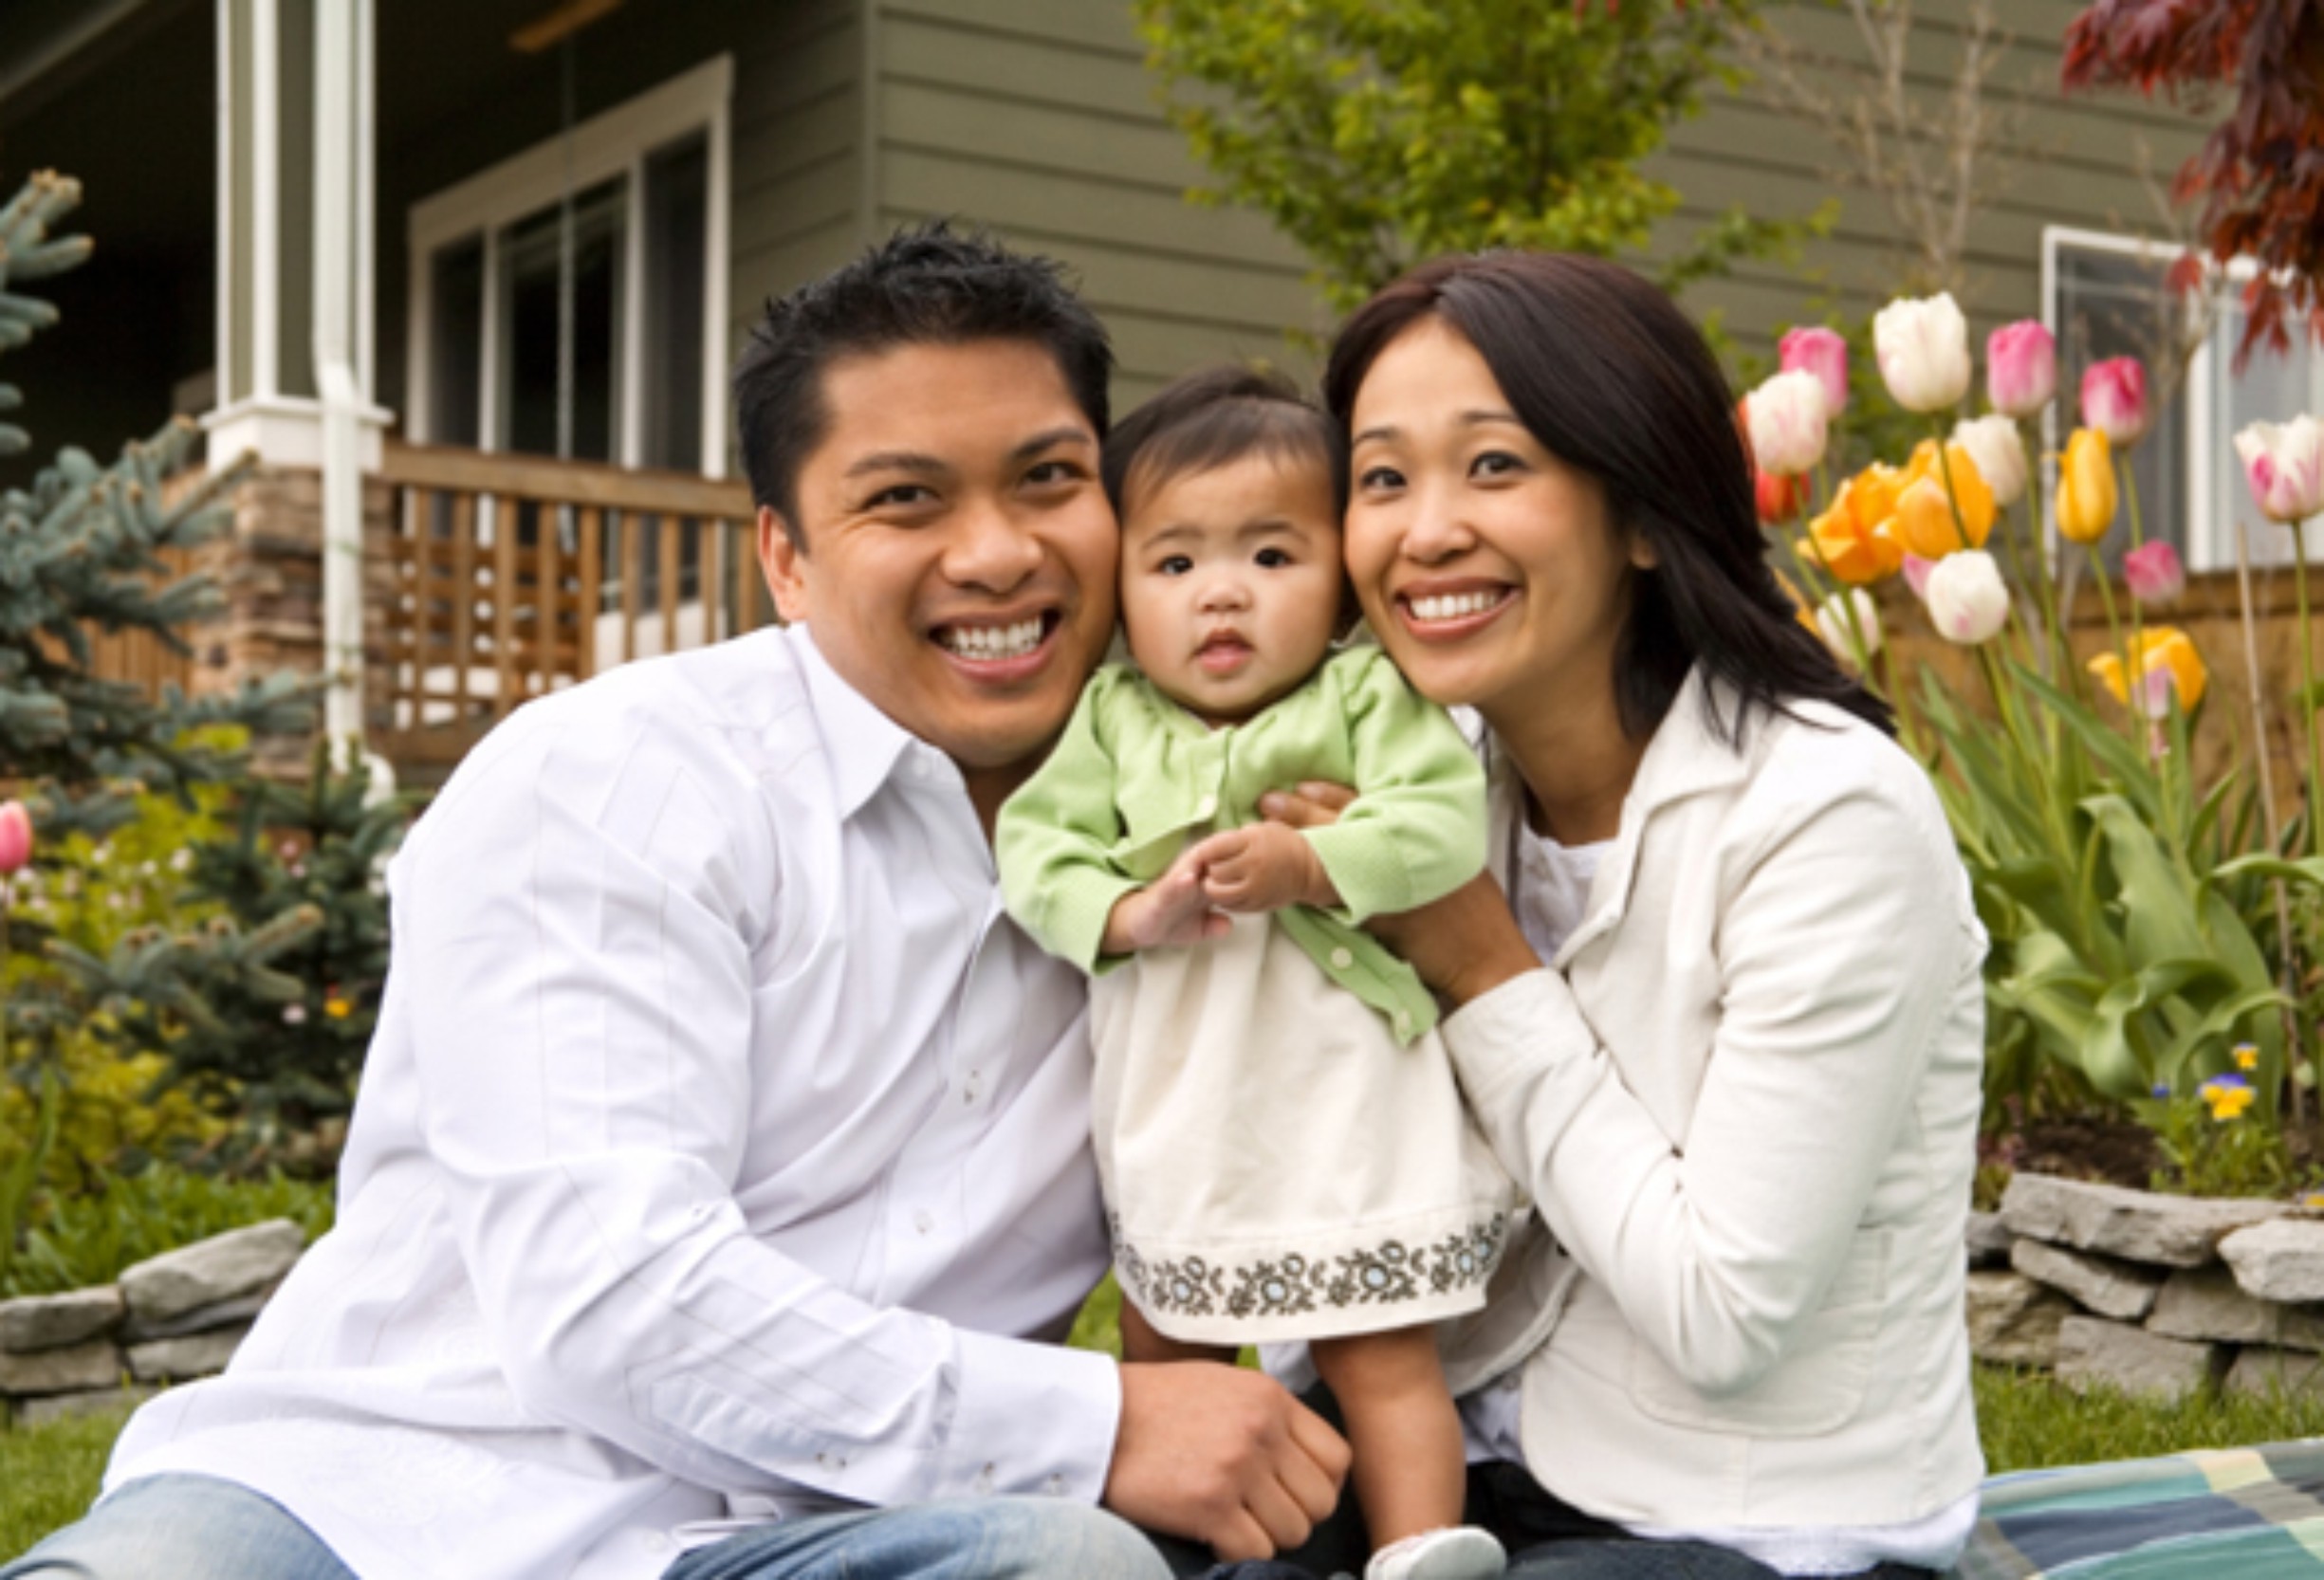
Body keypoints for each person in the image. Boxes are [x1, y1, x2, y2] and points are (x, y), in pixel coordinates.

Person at [1, 225, 1349, 1580]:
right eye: (905, 500)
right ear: (786, 557)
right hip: (370, 1506)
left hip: (817, 1540)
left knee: (1068, 1566)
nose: (997, 553)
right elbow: (609, 1292)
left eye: (1047, 478)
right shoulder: (617, 776)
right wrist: (1092, 1423)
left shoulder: (1202, 848)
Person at [1260, 251, 1984, 1579]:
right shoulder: (1435, 788)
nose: (1425, 531)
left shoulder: (1828, 816)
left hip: (1751, 1526)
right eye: (1381, 477)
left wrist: (1481, 964)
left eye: (1493, 465)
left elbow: (1723, 1312)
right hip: (1460, 1469)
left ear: (1644, 514)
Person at [996, 366, 1520, 1580]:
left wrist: (1312, 860)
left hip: (1343, 1094)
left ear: (1339, 579)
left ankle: (1419, 1547)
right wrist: (1127, 910)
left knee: (1377, 1347)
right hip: (1182, 1100)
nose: (1220, 592)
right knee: (1168, 1338)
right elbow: (1034, 852)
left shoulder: (1364, 695)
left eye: (1271, 556)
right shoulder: (1113, 719)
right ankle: (1164, 1549)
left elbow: (1442, 826)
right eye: (1174, 562)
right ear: (1121, 591)